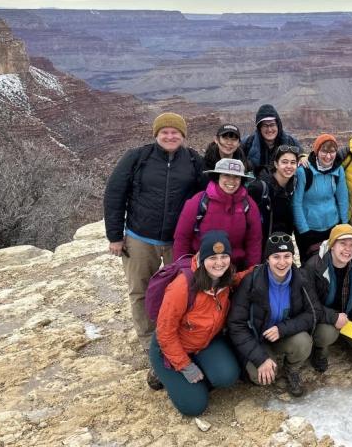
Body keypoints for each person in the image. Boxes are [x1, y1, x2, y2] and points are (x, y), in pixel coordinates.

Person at [104, 112, 204, 357]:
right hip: (140, 238)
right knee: (140, 290)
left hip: (176, 241)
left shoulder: (192, 160)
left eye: (175, 132)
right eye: (165, 132)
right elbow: (114, 194)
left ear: (183, 135)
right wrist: (115, 236)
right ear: (156, 134)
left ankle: (176, 333)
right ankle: (148, 339)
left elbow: (204, 198)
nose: (170, 136)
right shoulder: (137, 158)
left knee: (181, 290)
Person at [150, 230, 241, 416]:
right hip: (170, 347)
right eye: (213, 257)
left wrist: (267, 269)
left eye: (224, 256)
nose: (219, 262)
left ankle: (193, 378)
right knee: (194, 407)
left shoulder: (226, 277)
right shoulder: (182, 286)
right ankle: (162, 373)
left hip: (203, 342)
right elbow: (165, 332)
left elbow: (242, 277)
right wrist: (185, 366)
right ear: (202, 257)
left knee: (227, 377)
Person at [227, 233, 316, 397]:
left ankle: (291, 369)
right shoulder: (251, 281)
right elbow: (236, 324)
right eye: (276, 257)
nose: (282, 262)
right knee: (261, 378)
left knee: (303, 342)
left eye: (287, 256)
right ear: (267, 259)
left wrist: (282, 329)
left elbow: (312, 313)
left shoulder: (301, 278)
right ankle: (266, 360)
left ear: (292, 257)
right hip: (256, 338)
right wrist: (260, 358)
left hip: (282, 335)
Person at [302, 224, 352, 372]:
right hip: (323, 318)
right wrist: (333, 317)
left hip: (348, 315)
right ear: (332, 245)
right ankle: (319, 349)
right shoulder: (313, 266)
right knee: (327, 334)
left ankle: (342, 336)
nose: (348, 249)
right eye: (342, 243)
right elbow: (309, 304)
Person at [173, 158, 262, 271]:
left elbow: (254, 241)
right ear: (217, 176)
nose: (231, 181)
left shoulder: (248, 205)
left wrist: (251, 271)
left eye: (236, 177)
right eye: (226, 175)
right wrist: (182, 269)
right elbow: (182, 238)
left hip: (235, 268)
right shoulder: (199, 201)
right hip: (200, 269)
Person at [292, 134, 349, 260]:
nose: (328, 156)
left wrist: (344, 224)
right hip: (309, 229)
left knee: (331, 262)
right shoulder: (304, 171)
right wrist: (304, 230)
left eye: (332, 152)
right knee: (310, 265)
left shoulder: (338, 170)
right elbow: (296, 203)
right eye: (324, 151)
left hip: (332, 226)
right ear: (317, 151)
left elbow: (343, 199)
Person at [247, 145, 298, 239]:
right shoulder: (259, 188)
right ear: (276, 164)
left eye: (293, 162)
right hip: (260, 243)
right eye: (284, 162)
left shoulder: (293, 186)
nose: (289, 166)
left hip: (281, 243)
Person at [242, 104, 302, 177]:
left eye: (272, 125)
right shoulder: (248, 143)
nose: (269, 129)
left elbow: (302, 158)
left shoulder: (291, 142)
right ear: (259, 128)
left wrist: (303, 157)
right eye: (265, 125)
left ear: (278, 125)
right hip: (256, 186)